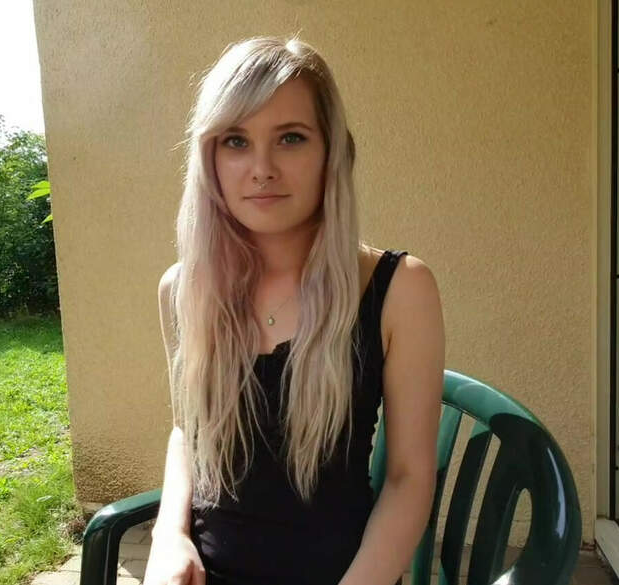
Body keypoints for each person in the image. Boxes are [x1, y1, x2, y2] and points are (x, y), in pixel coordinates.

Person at [144, 35, 445, 585]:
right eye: (236, 141)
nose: (261, 168)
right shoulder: (183, 290)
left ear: (332, 151)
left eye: (290, 138)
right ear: (209, 158)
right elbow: (187, 432)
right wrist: (170, 535)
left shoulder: (400, 289)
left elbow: (408, 477)